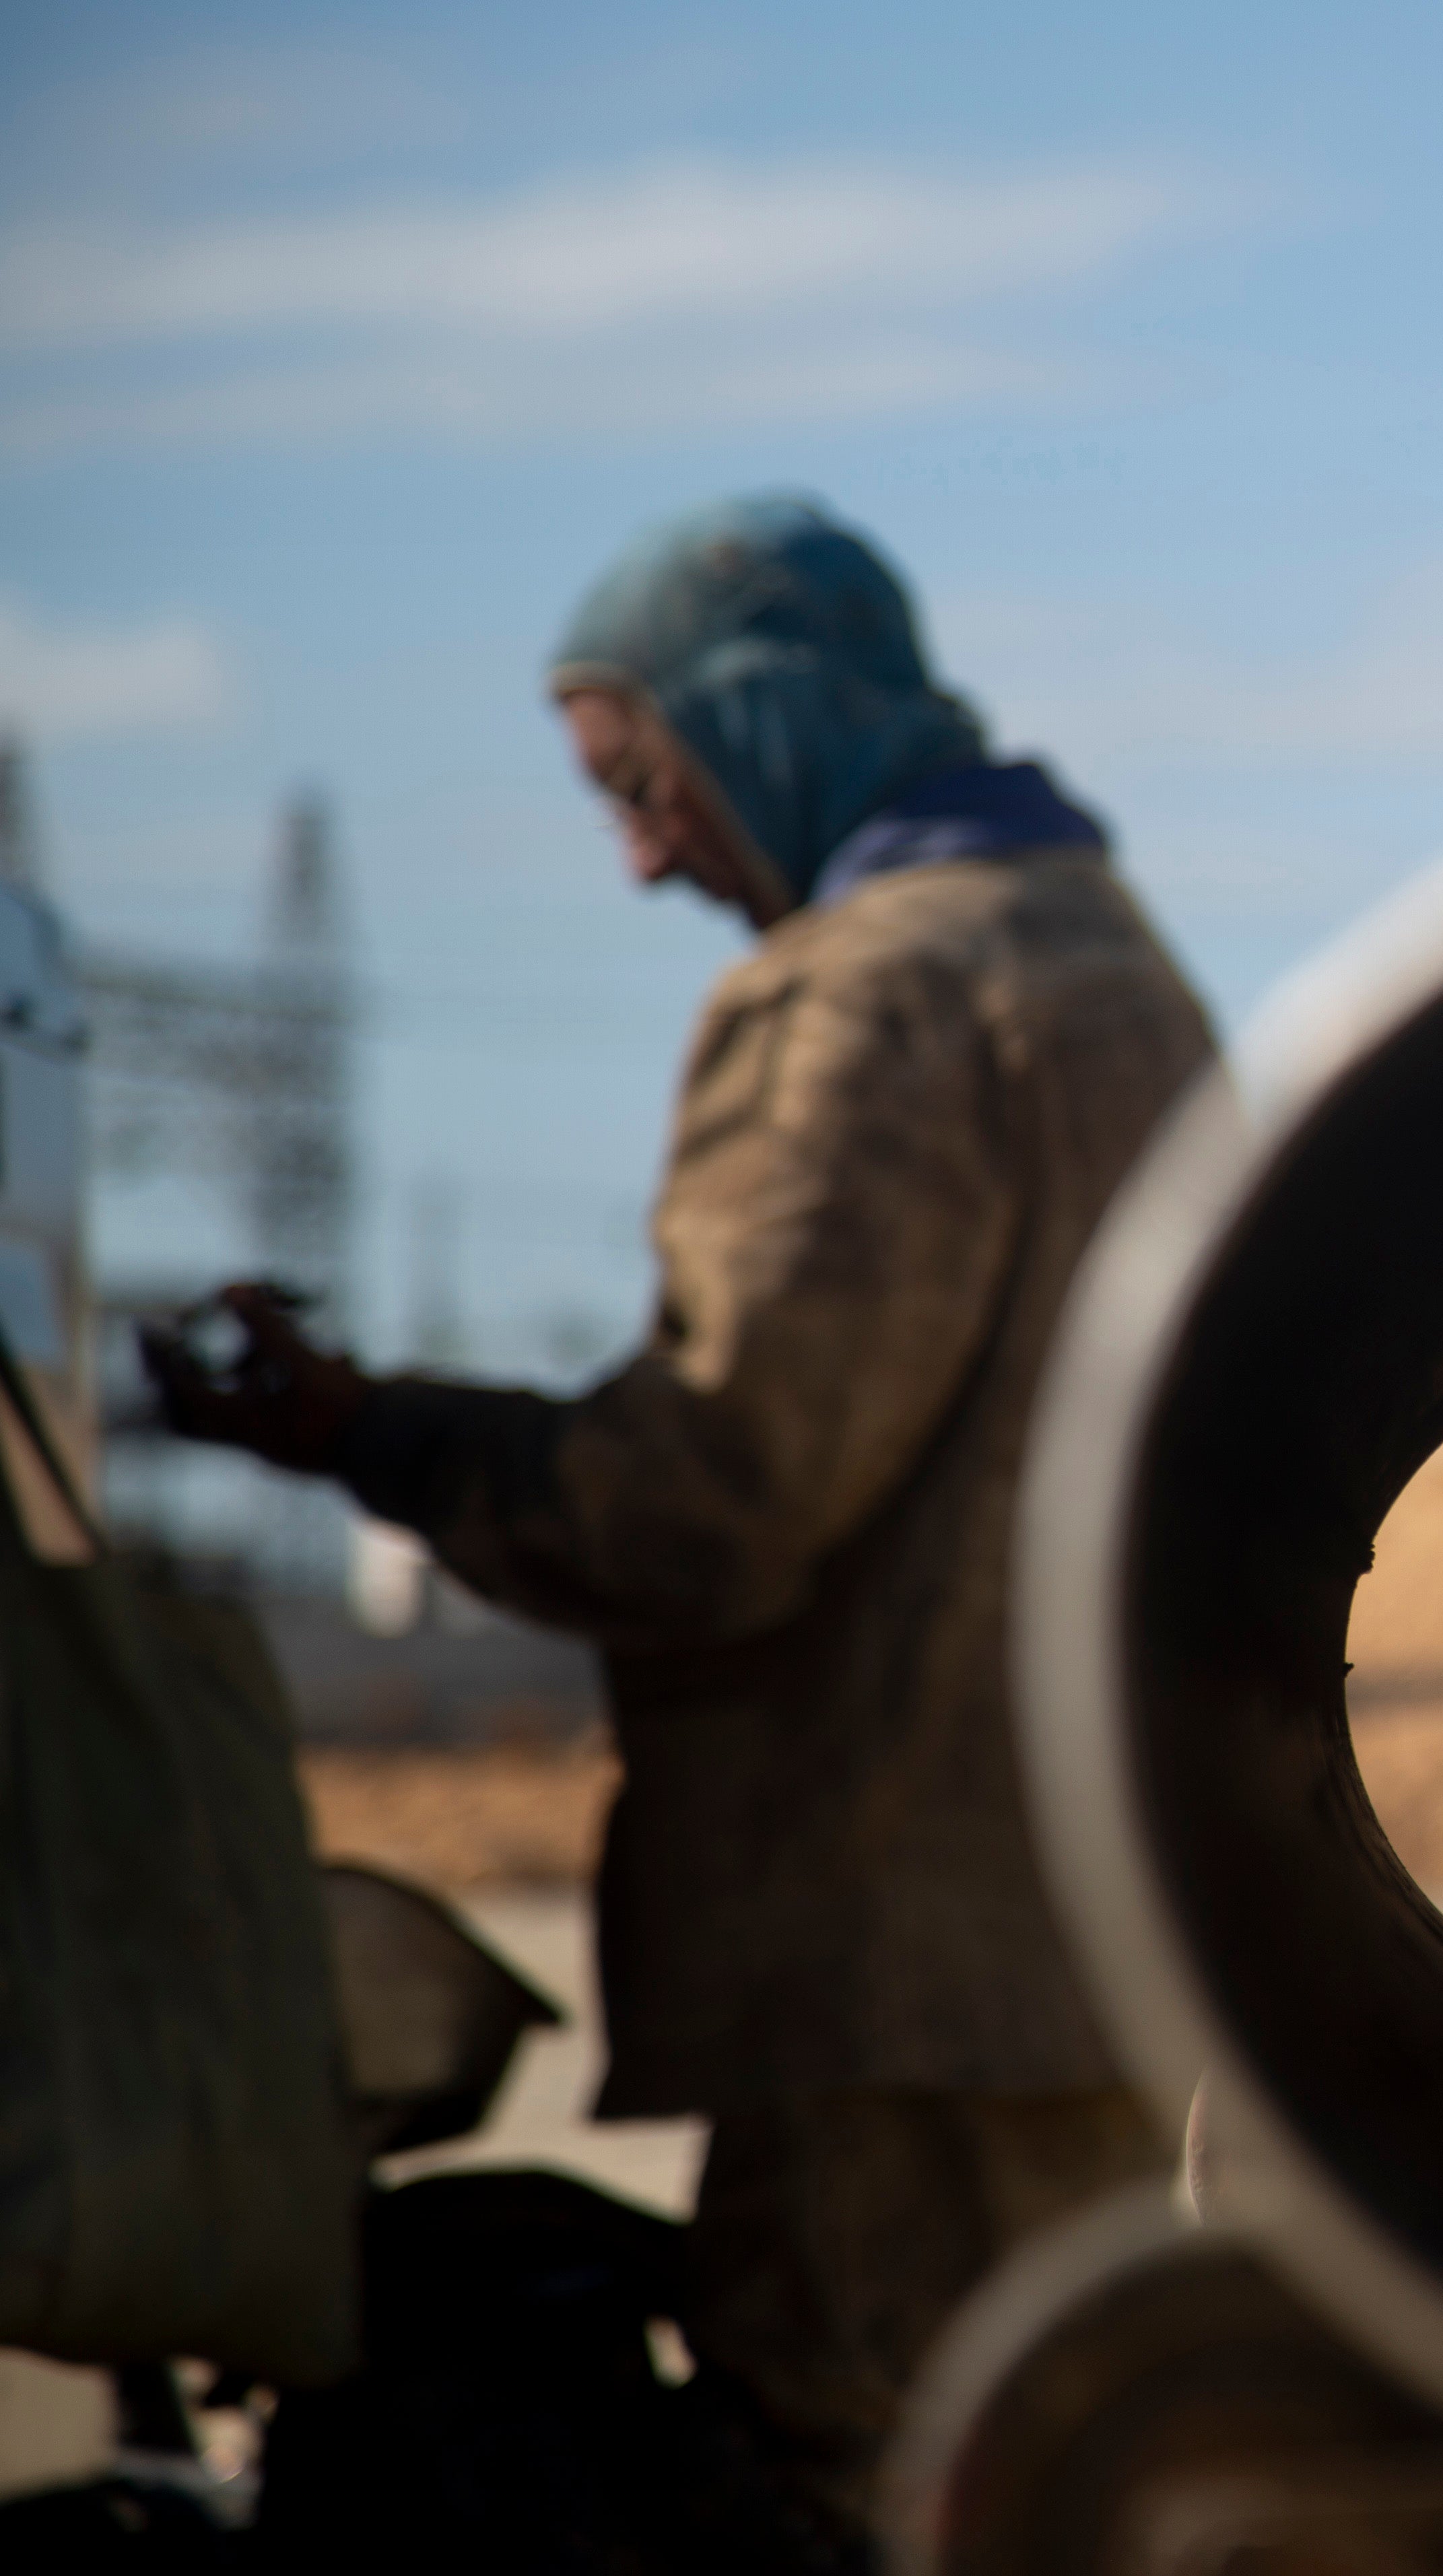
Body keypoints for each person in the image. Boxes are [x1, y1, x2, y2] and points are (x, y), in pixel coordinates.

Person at [149, 495, 1219, 2559]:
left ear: (761, 715)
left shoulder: (867, 1001)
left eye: (641, 783)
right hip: (1093, 1941)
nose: (643, 855)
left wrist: (367, 1432)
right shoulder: (1118, 967)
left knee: (854, 2491)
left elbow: (703, 1500)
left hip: (889, 1960)